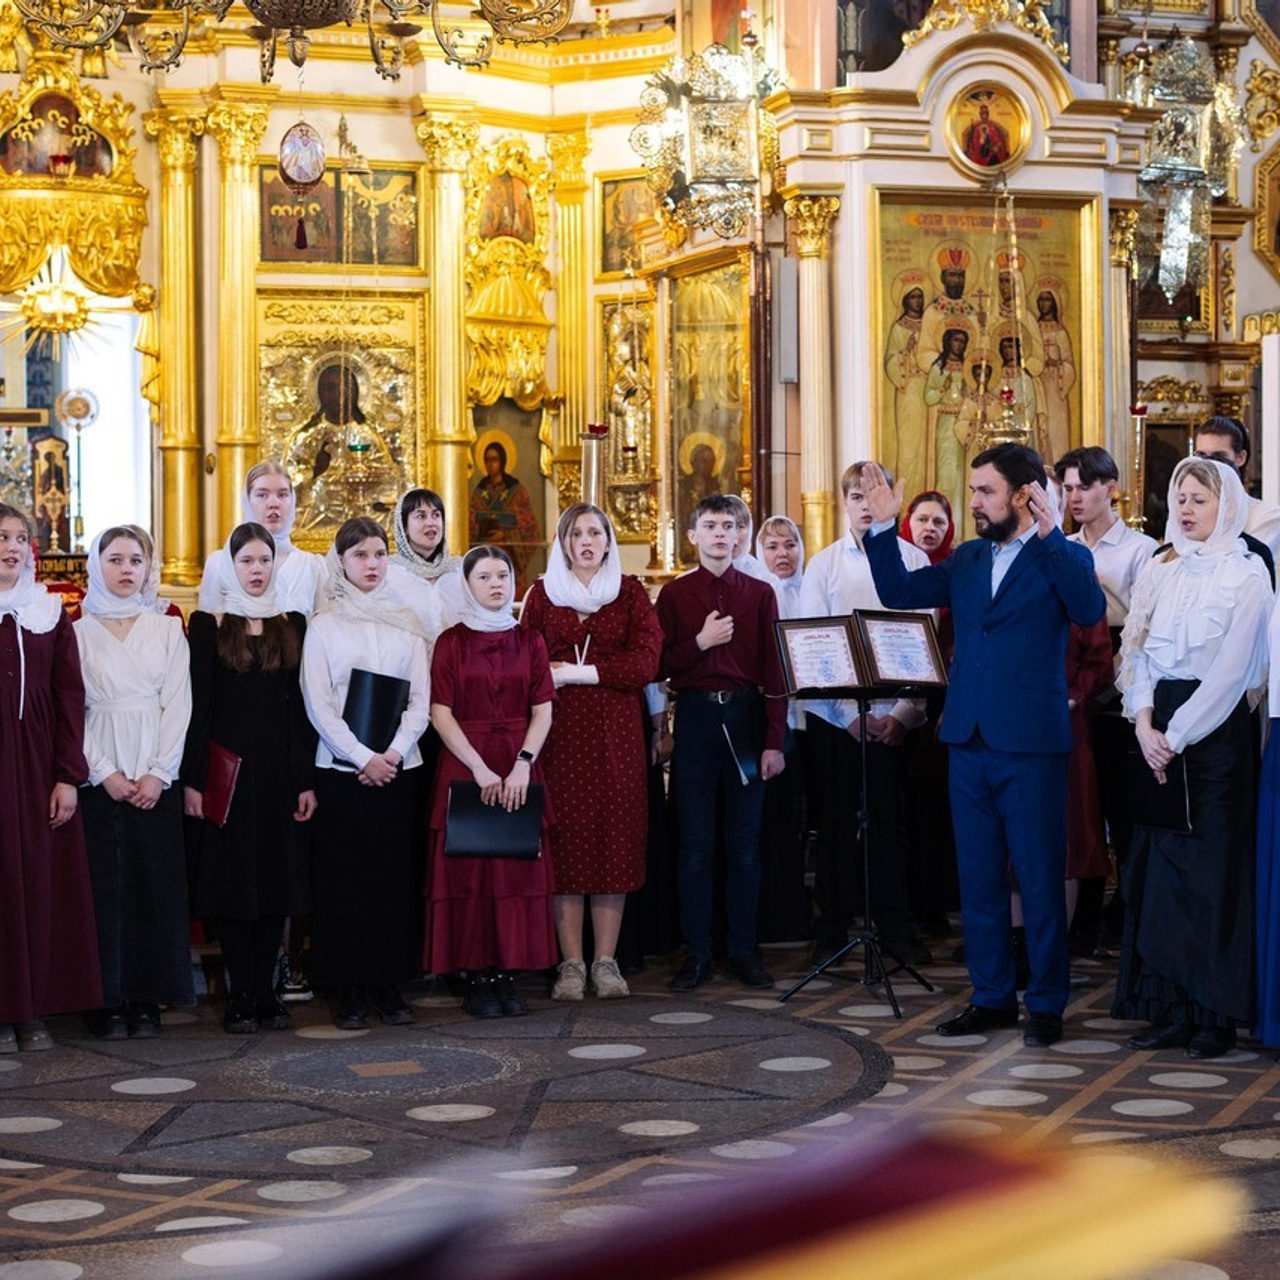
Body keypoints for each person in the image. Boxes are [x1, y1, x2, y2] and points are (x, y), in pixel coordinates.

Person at [860, 444, 1105, 1048]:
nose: (973, 502)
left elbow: (1088, 606)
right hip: (967, 738)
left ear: (1023, 495)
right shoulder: (967, 558)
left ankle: (1046, 1002)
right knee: (977, 878)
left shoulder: (1060, 555)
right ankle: (991, 997)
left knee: (1040, 878)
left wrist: (1052, 533)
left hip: (1031, 743)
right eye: (971, 490)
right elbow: (894, 589)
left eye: (985, 491)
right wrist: (885, 524)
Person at [1116, 457, 1271, 1059]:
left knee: (1211, 876)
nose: (1185, 508)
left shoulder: (1249, 573)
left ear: (1226, 505)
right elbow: (1140, 655)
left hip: (1214, 738)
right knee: (1158, 875)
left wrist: (1174, 738)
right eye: (1179, 497)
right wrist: (1145, 723)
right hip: (1158, 729)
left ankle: (1213, 1015)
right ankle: (1170, 1008)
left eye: (1199, 499)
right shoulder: (1164, 569)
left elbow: (1233, 674)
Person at [521, 505, 661, 1000]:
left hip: (615, 733)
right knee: (567, 841)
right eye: (576, 533)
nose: (586, 541)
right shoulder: (541, 594)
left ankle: (606, 961)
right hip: (558, 736)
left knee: (613, 840)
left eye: (595, 532)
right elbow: (529, 662)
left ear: (608, 541)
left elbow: (645, 663)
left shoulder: (629, 593)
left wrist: (580, 672)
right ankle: (571, 964)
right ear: (562, 542)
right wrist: (563, 672)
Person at [183, 523, 317, 1034]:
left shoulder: (293, 625)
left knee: (277, 887)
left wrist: (304, 781)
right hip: (229, 775)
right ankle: (241, 994)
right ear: (230, 567)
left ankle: (267, 992)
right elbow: (199, 709)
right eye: (247, 562)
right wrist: (194, 779)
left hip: (280, 775)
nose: (257, 571)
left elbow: (299, 712)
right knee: (234, 889)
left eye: (265, 561)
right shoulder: (209, 626)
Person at [302, 518, 431, 1030]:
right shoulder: (325, 625)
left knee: (393, 879)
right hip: (343, 771)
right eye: (360, 556)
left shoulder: (407, 622)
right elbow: (319, 703)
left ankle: (390, 983)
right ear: (342, 562)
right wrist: (363, 757)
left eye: (379, 554)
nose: (372, 565)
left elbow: (420, 701)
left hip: (400, 769)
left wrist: (394, 753)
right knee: (346, 883)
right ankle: (351, 988)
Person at [801, 464, 931, 968]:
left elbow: (923, 646)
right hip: (839, 723)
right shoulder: (824, 565)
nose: (865, 504)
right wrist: (844, 715)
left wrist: (901, 714)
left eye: (874, 495)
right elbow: (812, 644)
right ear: (844, 501)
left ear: (890, 500)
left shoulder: (914, 561)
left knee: (891, 824)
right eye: (856, 495)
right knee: (835, 825)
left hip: (893, 721)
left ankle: (897, 928)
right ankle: (832, 926)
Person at [656, 494, 787, 991]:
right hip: (695, 719)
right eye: (708, 525)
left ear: (738, 536)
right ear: (692, 536)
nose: (718, 534)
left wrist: (775, 739)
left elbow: (775, 669)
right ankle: (697, 951)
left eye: (727, 526)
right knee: (694, 844)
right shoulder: (674, 595)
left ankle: (743, 950)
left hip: (746, 717)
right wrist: (700, 644)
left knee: (745, 845)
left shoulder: (758, 592)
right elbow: (660, 665)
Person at [425, 546, 558, 1017]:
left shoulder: (531, 641)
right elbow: (439, 711)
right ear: (467, 585)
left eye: (503, 575)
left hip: (519, 763)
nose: (496, 584)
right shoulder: (450, 642)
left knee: (513, 870)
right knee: (471, 875)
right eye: (484, 577)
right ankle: (476, 976)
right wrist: (480, 768)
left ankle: (508, 973)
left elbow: (542, 709)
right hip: (467, 763)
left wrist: (522, 762)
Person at [75, 526, 193, 1039]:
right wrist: (103, 773)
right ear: (96, 567)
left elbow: (179, 704)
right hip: (98, 774)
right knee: (103, 890)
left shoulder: (166, 628)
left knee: (153, 887)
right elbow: (70, 712)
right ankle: (105, 998)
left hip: (153, 774)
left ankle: (148, 997)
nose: (126, 569)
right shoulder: (73, 631)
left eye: (135, 560)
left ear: (149, 567)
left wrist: (158, 772)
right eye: (115, 559)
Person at [0, 504, 101, 1051]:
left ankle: (30, 1010)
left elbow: (70, 698)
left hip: (37, 765)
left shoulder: (47, 613)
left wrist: (67, 776)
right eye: (1, 537)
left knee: (34, 882)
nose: (12, 547)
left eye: (20, 538)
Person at [1057, 446, 1158, 951]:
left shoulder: (1141, 550)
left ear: (1110, 488)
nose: (1074, 497)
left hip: (1119, 677)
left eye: (1084, 487)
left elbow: (1142, 632)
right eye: (1068, 488)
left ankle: (1128, 913)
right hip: (1074, 673)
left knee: (1121, 807)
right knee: (1080, 808)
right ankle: (1085, 915)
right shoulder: (1063, 545)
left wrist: (1110, 685)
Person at [755, 514, 813, 944]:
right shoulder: (756, 595)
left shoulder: (813, 591)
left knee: (803, 819)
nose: (783, 554)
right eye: (773, 546)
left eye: (790, 544)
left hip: (812, 718)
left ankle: (799, 910)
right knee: (769, 821)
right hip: (771, 725)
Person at [198, 461, 326, 616]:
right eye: (262, 495)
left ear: (292, 500)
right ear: (247, 500)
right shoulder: (220, 563)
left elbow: (323, 632)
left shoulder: (312, 567)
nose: (273, 504)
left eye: (282, 495)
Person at [288, 362, 405, 531]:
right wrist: (314, 472)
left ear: (355, 392)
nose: (339, 396)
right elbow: (287, 483)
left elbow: (390, 481)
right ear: (320, 393)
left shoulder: (367, 437)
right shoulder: (308, 437)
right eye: (331, 388)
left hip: (360, 510)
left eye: (345, 388)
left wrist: (368, 481)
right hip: (318, 511)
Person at [1193, 417, 1280, 568]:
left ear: (1240, 458)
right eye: (1201, 456)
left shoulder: (1267, 516)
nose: (1209, 464)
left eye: (1219, 456)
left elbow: (1241, 571)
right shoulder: (1185, 511)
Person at [387, 487, 463, 638]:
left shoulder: (460, 570)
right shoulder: (390, 573)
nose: (431, 523)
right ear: (404, 527)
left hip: (456, 660)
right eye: (421, 516)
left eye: (436, 515)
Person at [469, 441, 541, 596]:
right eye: (487, 460)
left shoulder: (516, 490)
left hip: (509, 556)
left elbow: (529, 525)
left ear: (502, 461)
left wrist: (506, 535)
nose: (491, 464)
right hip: (484, 554)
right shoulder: (479, 491)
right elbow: (470, 521)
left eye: (494, 460)